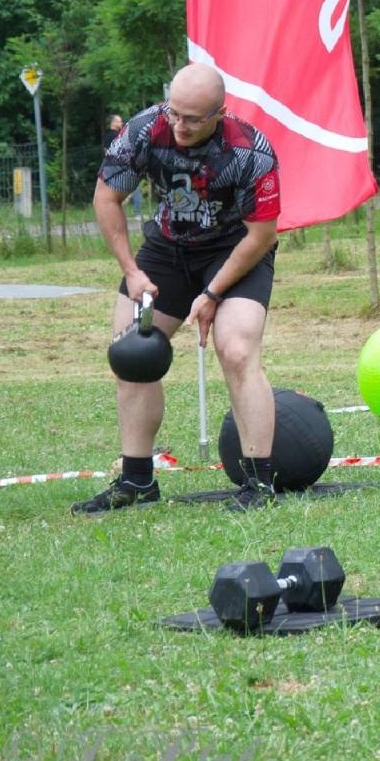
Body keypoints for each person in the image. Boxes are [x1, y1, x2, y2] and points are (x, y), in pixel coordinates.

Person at [74, 63, 282, 514]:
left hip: (235, 251)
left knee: (236, 349)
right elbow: (106, 198)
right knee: (132, 351)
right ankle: (137, 481)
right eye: (174, 113)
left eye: (193, 119)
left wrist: (211, 295)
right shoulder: (144, 132)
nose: (179, 126)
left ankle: (259, 484)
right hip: (169, 249)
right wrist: (131, 270)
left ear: (218, 114)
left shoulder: (249, 150)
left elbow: (261, 234)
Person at [104, 114, 144, 217]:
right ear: (113, 123)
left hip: (113, 167)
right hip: (124, 166)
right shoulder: (118, 136)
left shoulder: (107, 137)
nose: (121, 123)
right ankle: (137, 213)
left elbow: (106, 153)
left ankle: (116, 212)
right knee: (136, 188)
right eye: (119, 121)